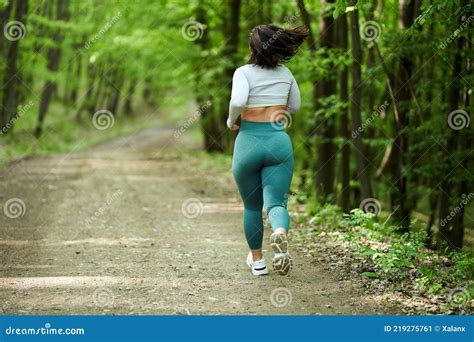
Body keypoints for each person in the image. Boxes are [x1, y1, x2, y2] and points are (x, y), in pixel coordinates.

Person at [227, 24, 308, 276]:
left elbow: (238, 101)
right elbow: (295, 106)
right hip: (278, 143)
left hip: (248, 142)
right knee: (276, 204)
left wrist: (231, 120)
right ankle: (280, 234)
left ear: (252, 47)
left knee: (252, 207)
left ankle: (258, 261)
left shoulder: (243, 72)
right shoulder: (285, 74)